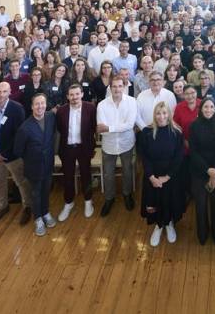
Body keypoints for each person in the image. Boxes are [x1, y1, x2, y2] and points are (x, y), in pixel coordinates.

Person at [0, 82, 31, 228]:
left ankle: (27, 206)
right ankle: (2, 206)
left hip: (12, 155)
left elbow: (19, 135)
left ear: (9, 93)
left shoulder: (17, 109)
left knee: (21, 182)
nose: (1, 95)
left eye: (4, 92)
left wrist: (4, 154)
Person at [139, 102, 185, 247]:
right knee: (155, 201)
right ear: (154, 115)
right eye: (158, 113)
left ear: (169, 114)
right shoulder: (146, 132)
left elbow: (179, 156)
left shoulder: (177, 132)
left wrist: (168, 176)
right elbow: (144, 157)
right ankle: (159, 226)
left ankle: (169, 223)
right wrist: (151, 177)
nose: (161, 116)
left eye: (164, 113)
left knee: (170, 200)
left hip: (171, 175)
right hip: (152, 174)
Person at [16, 94, 57, 237]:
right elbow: (18, 150)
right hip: (33, 166)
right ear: (32, 106)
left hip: (48, 164)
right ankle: (38, 218)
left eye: (43, 103)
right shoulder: (24, 128)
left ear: (46, 105)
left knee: (46, 191)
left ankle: (46, 212)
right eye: (37, 104)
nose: (40, 106)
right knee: (35, 193)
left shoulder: (51, 117)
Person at [96, 75, 138, 216]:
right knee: (108, 174)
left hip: (127, 143)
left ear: (124, 87)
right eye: (114, 86)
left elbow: (130, 125)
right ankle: (109, 198)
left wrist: (109, 128)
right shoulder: (101, 105)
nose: (117, 89)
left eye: (120, 86)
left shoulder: (132, 102)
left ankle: (127, 194)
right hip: (109, 145)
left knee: (127, 170)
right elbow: (101, 130)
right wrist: (113, 128)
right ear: (110, 87)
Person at [188, 97, 215, 245]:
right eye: (205, 107)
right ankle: (202, 235)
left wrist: (214, 171)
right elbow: (193, 151)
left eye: (211, 107)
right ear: (201, 109)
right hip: (200, 170)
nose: (208, 110)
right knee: (200, 206)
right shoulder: (194, 126)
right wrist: (207, 170)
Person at [55, 84, 97, 221]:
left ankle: (88, 201)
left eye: (77, 94)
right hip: (67, 148)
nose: (74, 97)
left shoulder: (90, 108)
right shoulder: (61, 111)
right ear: (67, 96)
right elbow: (60, 129)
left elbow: (93, 127)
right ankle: (68, 202)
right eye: (71, 95)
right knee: (67, 176)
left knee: (86, 174)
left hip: (84, 147)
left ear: (82, 94)